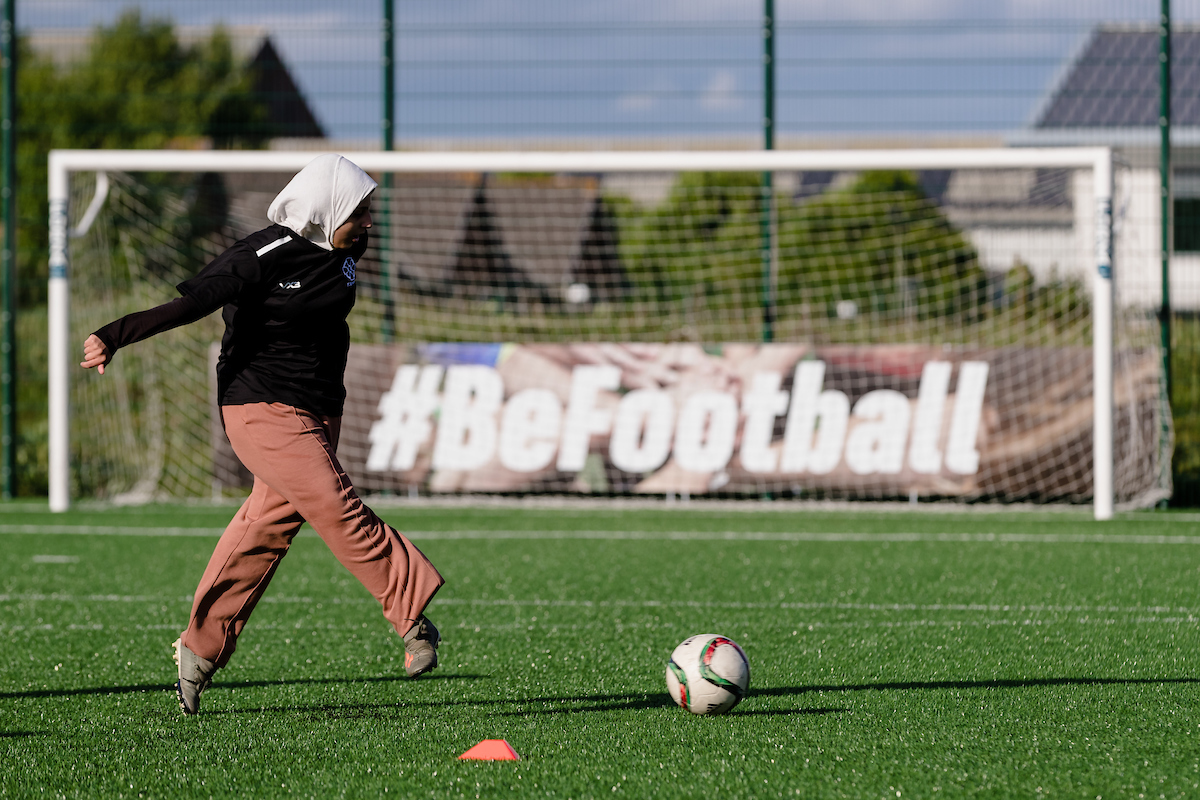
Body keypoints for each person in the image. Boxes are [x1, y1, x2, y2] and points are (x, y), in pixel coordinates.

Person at [80, 154, 445, 715]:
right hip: (259, 406)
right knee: (334, 503)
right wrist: (114, 334)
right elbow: (193, 302)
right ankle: (410, 615)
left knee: (264, 527)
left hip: (319, 412)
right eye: (362, 213)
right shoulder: (261, 254)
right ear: (327, 212)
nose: (370, 224)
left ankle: (199, 650)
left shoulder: (346, 251)